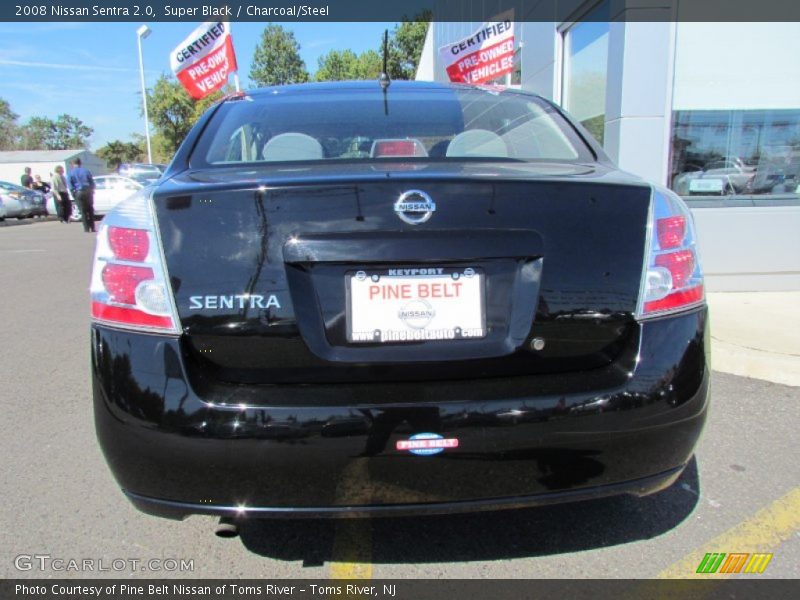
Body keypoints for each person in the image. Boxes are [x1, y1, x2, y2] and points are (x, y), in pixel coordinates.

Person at [68, 158, 96, 233]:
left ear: (73, 164)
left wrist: (73, 193)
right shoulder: (86, 171)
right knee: (90, 210)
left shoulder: (71, 172)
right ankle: (92, 227)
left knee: (83, 211)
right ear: (80, 163)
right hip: (88, 191)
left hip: (79, 192)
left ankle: (86, 228)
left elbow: (70, 185)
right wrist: (92, 190)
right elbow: (91, 182)